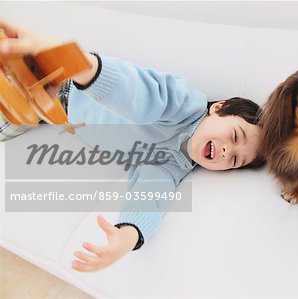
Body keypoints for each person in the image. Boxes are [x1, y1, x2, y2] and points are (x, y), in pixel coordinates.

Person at [0, 21, 265, 272]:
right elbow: (137, 92)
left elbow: (151, 197)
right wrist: (83, 67)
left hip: (51, 110)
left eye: (234, 160)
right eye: (234, 137)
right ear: (219, 108)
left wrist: (127, 236)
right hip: (68, 78)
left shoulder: (173, 166)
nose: (227, 151)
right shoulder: (184, 104)